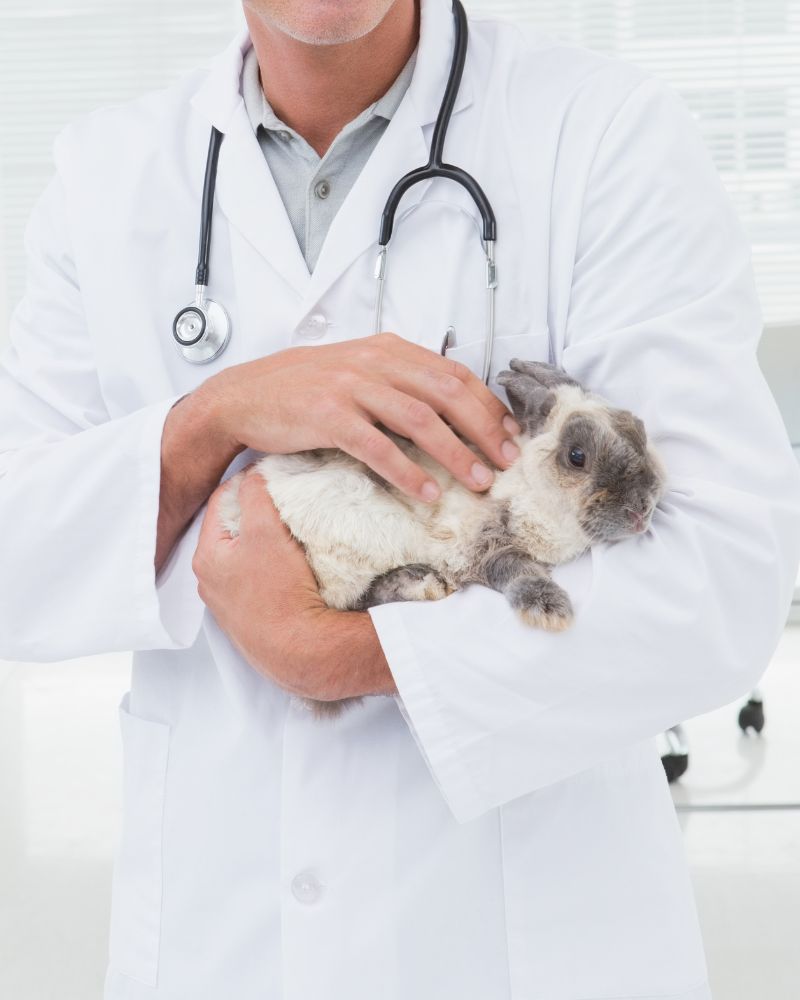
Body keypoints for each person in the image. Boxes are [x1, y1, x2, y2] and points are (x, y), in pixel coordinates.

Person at [1, 0, 799, 997]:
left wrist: (338, 653)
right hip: (220, 940)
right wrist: (212, 419)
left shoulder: (599, 135)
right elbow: (17, 550)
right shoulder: (106, 175)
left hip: (523, 947)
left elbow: (721, 572)